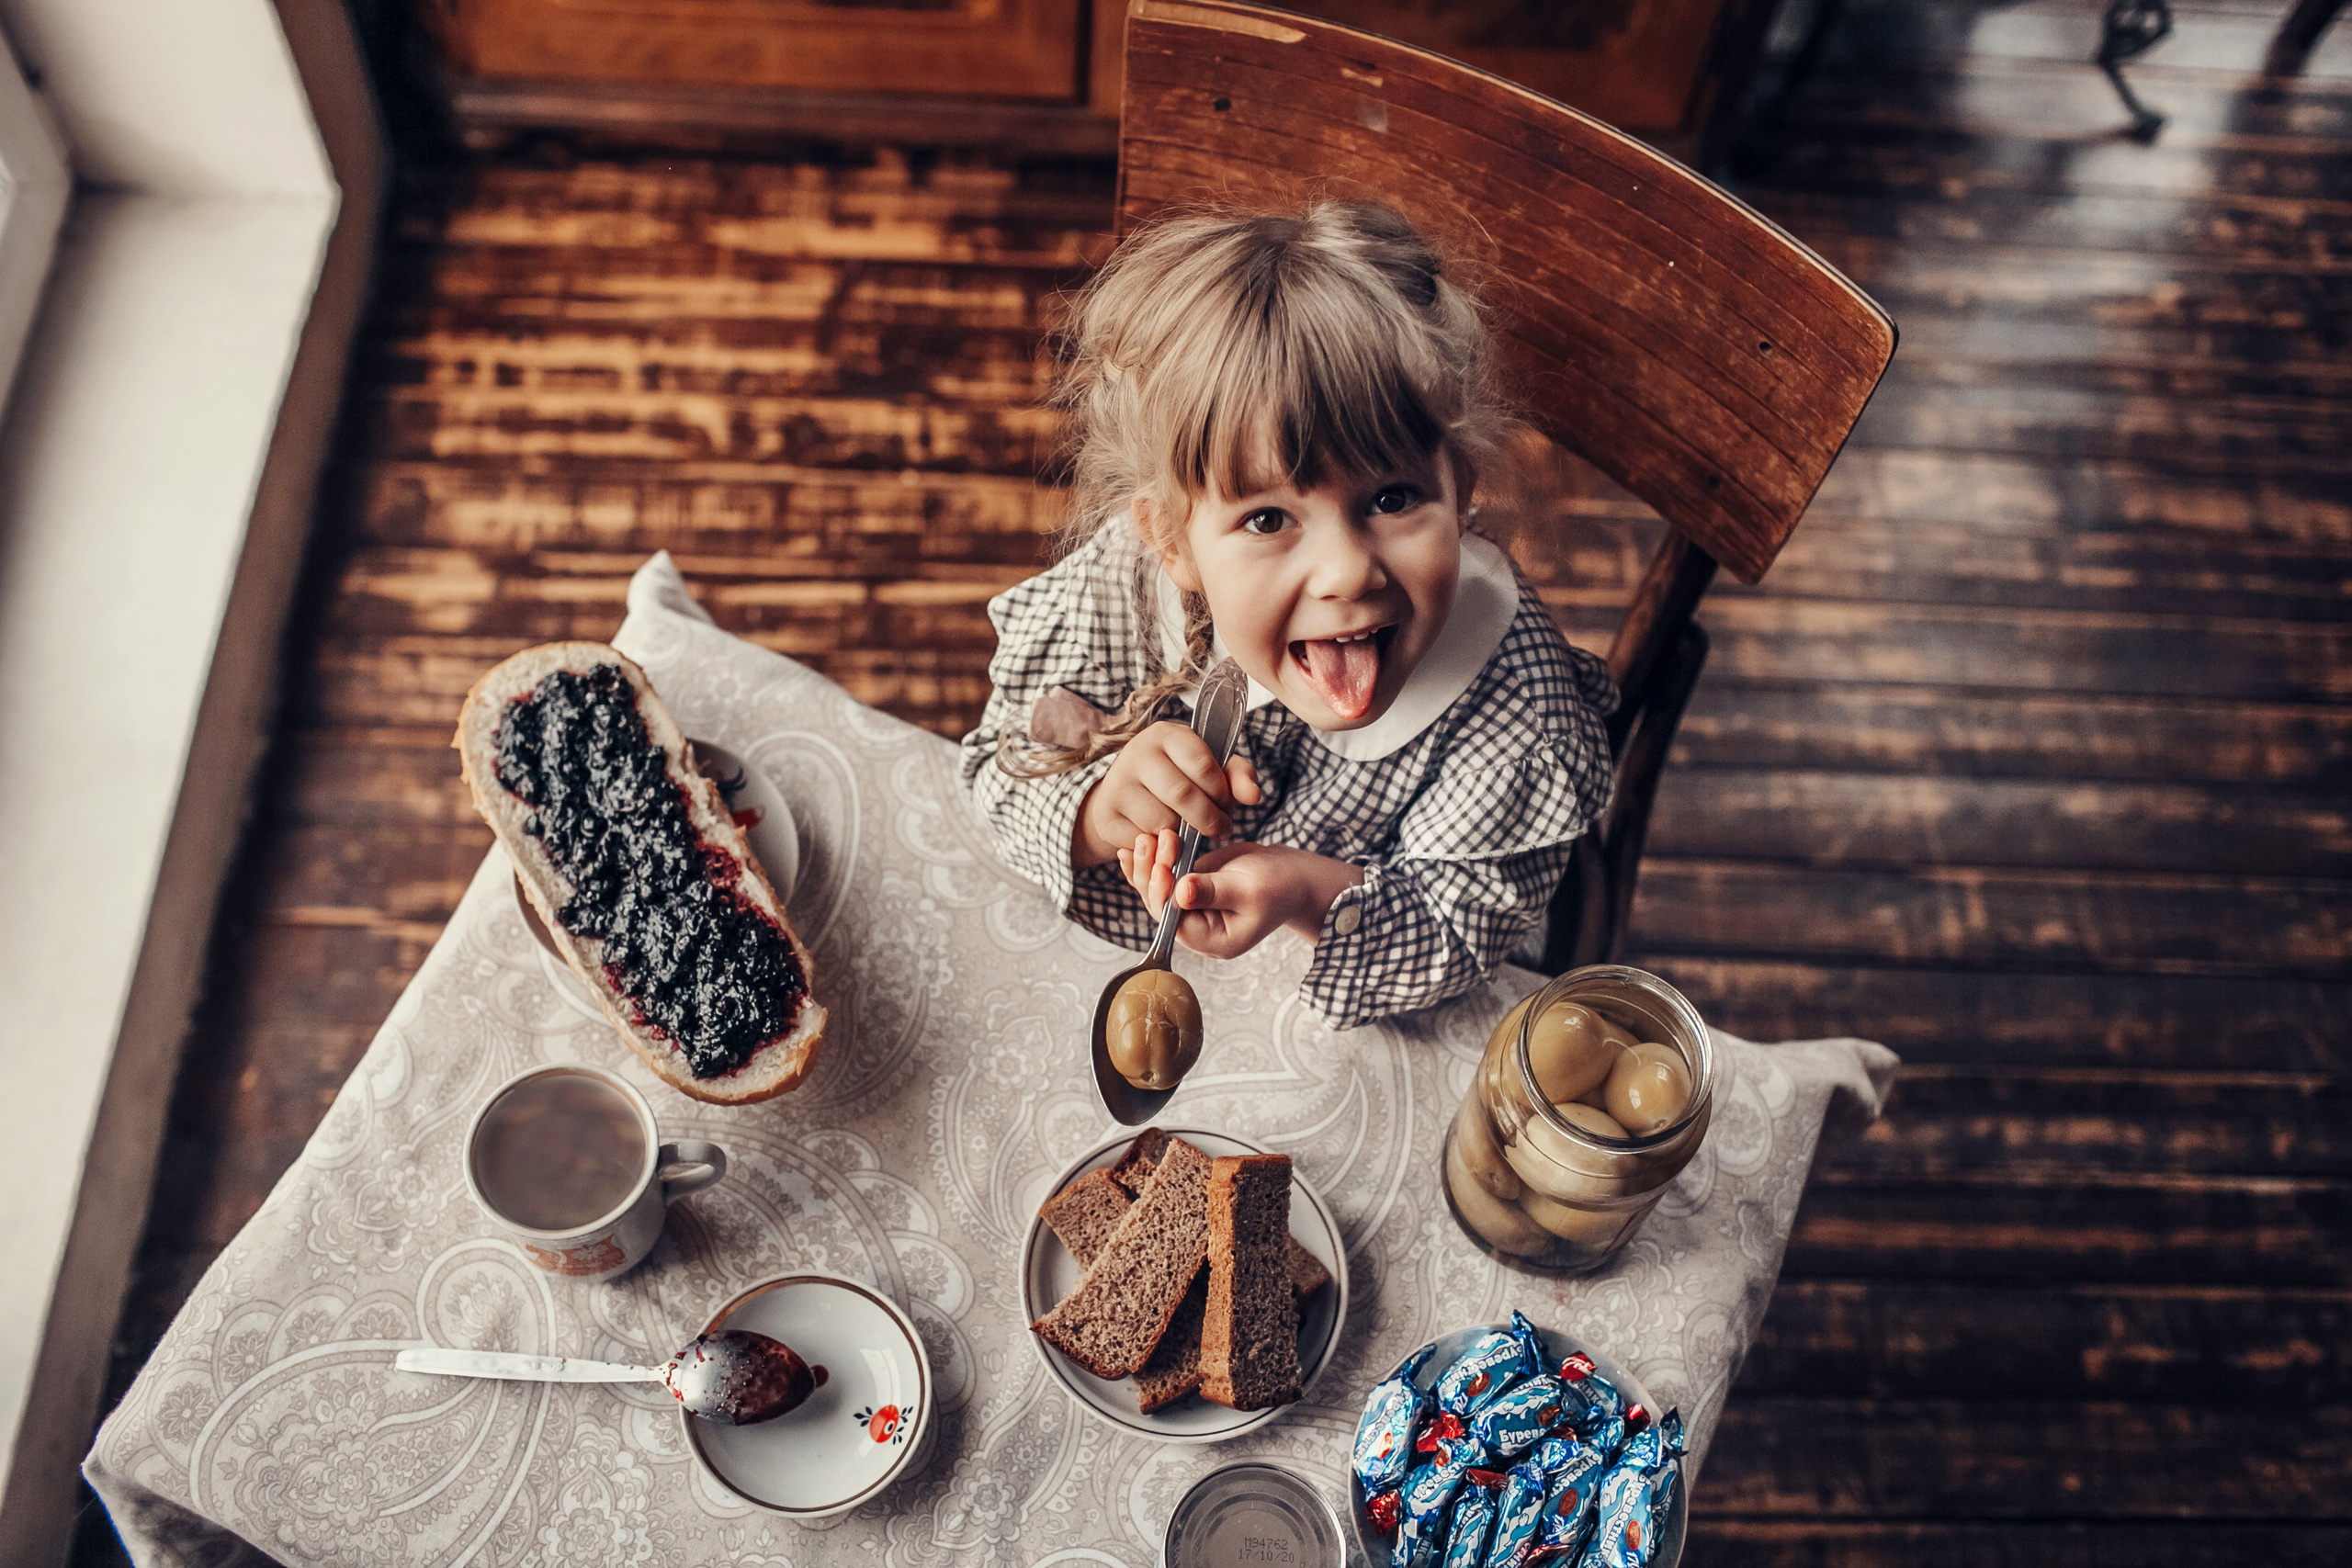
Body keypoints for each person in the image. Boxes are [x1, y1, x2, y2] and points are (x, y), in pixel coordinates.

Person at [958, 201, 1615, 1030]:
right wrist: (1095, 811)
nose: (1346, 571)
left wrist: (1308, 891)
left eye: (1392, 497)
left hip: (1349, 1012)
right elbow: (1000, 767)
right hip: (1090, 970)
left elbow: (1461, 929)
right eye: (1268, 518)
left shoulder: (1514, 709)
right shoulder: (1126, 588)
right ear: (1172, 540)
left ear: (1460, 487)